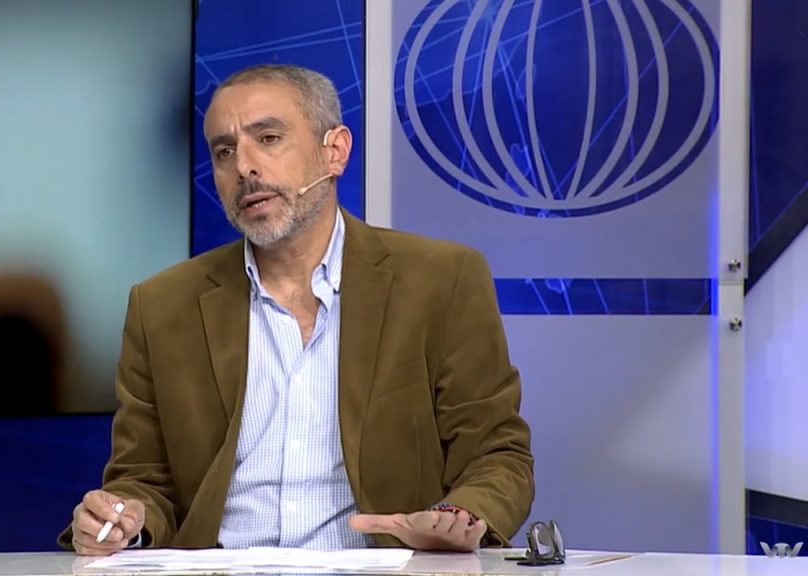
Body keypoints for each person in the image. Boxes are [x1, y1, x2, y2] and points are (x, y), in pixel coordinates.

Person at [59, 63, 533, 554]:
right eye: (224, 151)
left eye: (268, 139)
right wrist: (123, 520)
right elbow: (143, 481)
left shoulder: (440, 280)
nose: (244, 167)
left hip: (380, 566)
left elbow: (496, 454)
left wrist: (458, 517)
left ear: (335, 151)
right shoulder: (161, 305)